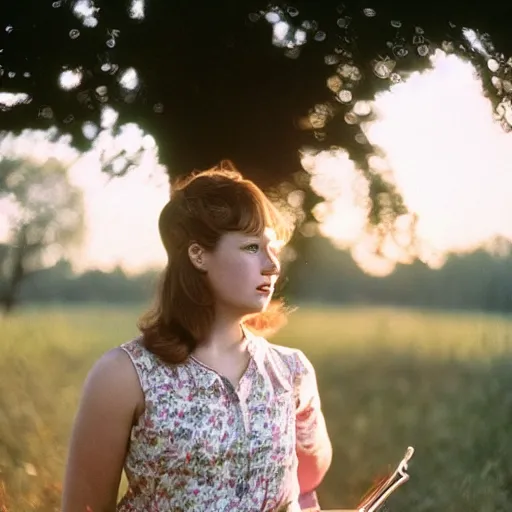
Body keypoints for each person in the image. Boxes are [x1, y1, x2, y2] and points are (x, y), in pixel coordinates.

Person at [61, 161, 333, 512]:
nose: (272, 265)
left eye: (274, 249)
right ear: (198, 254)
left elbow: (308, 481)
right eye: (252, 247)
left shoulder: (291, 371)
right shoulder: (124, 375)